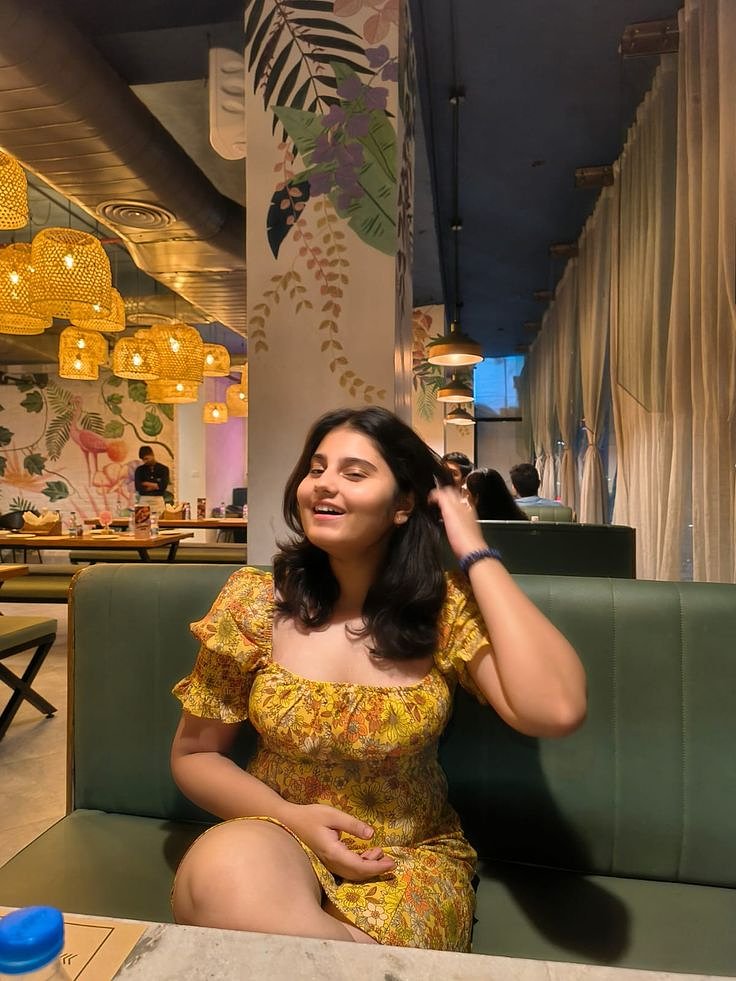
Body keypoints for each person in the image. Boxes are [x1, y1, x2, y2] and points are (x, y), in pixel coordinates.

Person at [170, 407, 586, 950]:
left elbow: (555, 709)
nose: (324, 484)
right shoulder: (253, 601)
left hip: (404, 860)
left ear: (403, 504)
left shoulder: (443, 610)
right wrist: (291, 817)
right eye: (316, 468)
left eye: (354, 472)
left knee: (271, 942)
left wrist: (474, 550)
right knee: (221, 877)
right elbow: (195, 754)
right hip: (279, 832)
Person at [134, 445, 170, 516]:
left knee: (160, 520)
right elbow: (138, 487)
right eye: (143, 460)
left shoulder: (164, 469)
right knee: (142, 521)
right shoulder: (139, 470)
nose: (145, 461)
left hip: (158, 499)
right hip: (144, 499)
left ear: (152, 455)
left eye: (146, 458)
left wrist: (145, 483)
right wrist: (156, 485)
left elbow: (163, 486)